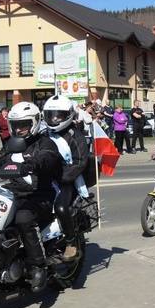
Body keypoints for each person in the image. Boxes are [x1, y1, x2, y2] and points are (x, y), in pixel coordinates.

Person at [0, 102, 62, 293]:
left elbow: (48, 157)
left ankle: (38, 267)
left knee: (24, 218)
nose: (18, 129)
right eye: (15, 124)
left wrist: (32, 164)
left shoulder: (45, 143)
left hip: (40, 193)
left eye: (23, 124)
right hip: (14, 191)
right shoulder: (11, 145)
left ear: (35, 123)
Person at [42, 95, 89, 261]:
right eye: (51, 114)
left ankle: (70, 242)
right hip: (43, 179)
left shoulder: (75, 136)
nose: (54, 118)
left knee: (61, 208)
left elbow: (80, 163)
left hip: (66, 181)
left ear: (68, 115)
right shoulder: (43, 133)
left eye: (58, 115)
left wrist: (62, 179)